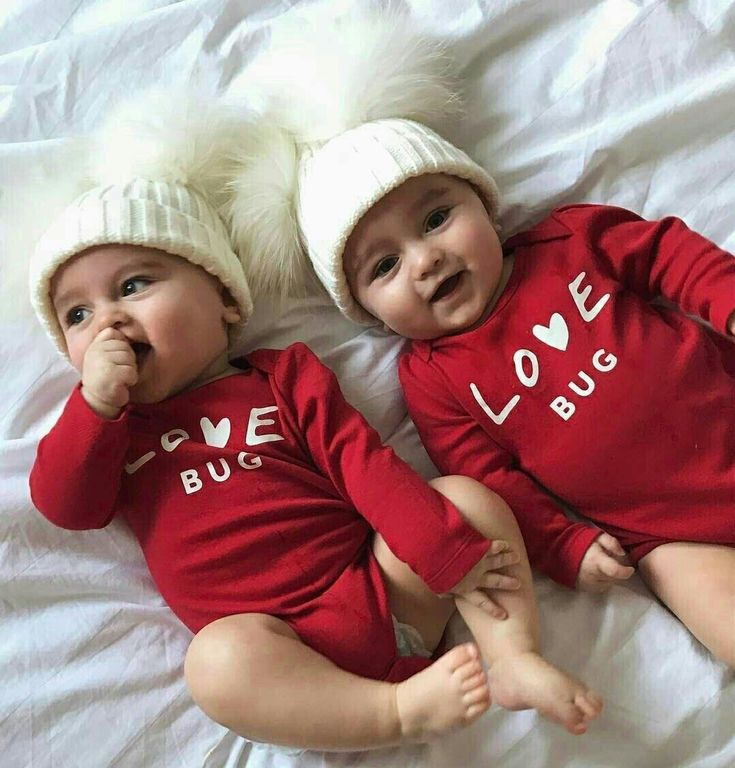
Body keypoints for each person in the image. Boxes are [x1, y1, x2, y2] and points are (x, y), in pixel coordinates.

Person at [26, 104, 602, 753]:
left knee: (464, 500)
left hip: (383, 591)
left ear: (222, 299)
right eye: (77, 313)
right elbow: (66, 507)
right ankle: (393, 712)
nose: (107, 321)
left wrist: (442, 557)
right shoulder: (111, 431)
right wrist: (95, 409)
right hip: (283, 651)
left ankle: (511, 656)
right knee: (214, 664)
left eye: (133, 285)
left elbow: (363, 464)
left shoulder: (282, 378)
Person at [226, 14, 735, 670]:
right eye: (383, 267)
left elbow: (666, 254)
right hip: (666, 535)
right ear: (366, 311)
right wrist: (561, 545)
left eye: (436, 218)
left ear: (483, 205)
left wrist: (724, 298)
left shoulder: (568, 242)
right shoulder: (434, 379)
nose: (424, 259)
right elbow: (488, 480)